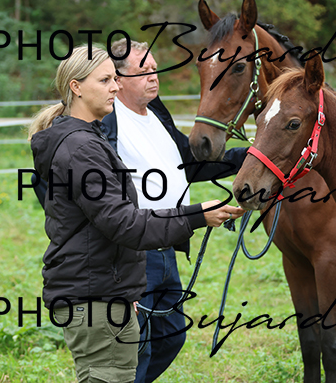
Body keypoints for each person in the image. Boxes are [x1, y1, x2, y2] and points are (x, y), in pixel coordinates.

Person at [28, 45, 245, 383]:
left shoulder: (95, 135)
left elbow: (184, 165)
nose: (114, 86)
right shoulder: (84, 144)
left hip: (117, 271)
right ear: (76, 87)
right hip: (108, 274)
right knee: (121, 364)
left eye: (114, 79)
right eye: (106, 80)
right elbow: (120, 221)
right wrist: (195, 216)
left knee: (159, 343)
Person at [101, 39, 248, 383]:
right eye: (143, 72)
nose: (154, 77)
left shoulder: (156, 114)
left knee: (171, 336)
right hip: (134, 249)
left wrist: (247, 157)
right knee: (137, 345)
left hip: (167, 246)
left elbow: (190, 162)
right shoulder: (107, 122)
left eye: (155, 69)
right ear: (117, 79)